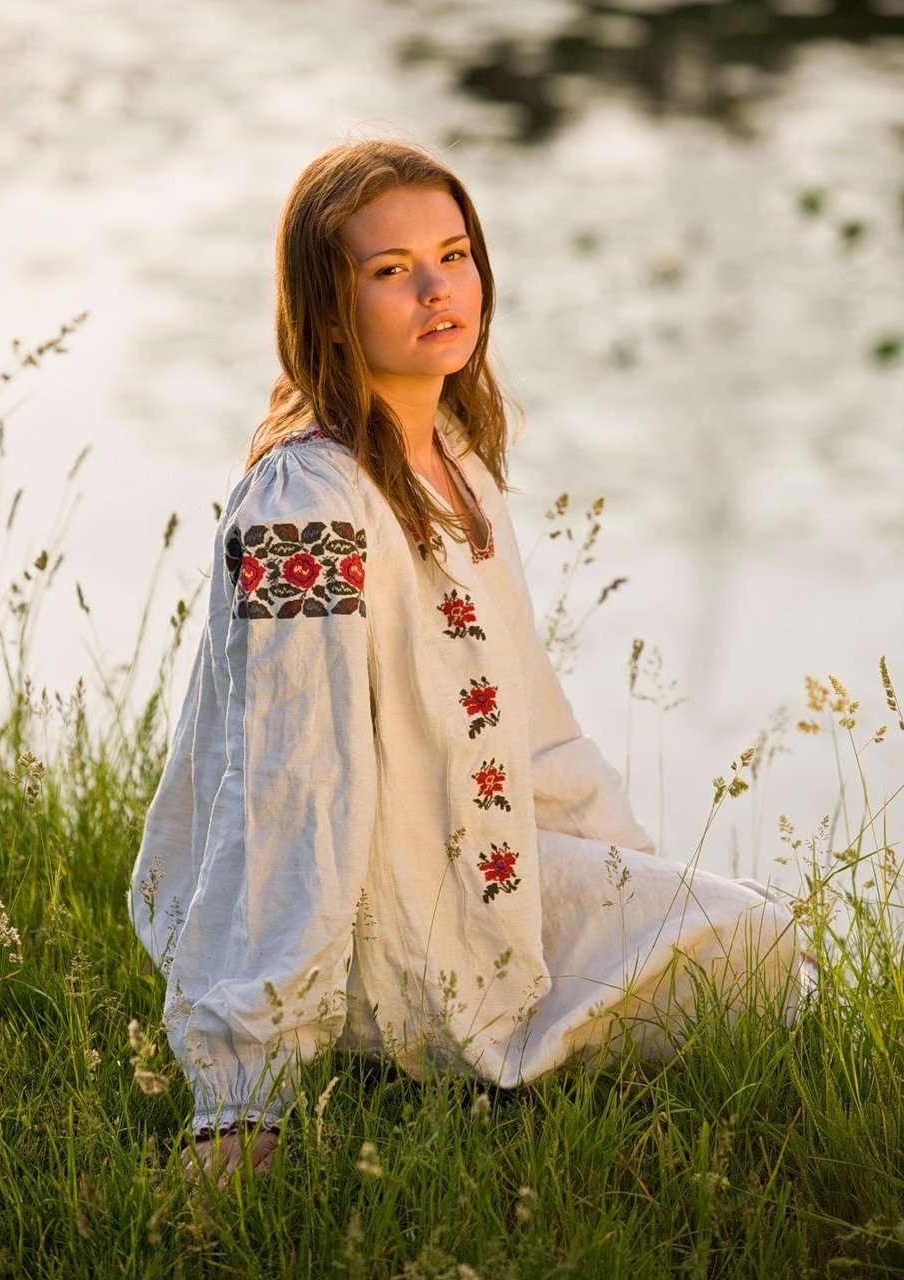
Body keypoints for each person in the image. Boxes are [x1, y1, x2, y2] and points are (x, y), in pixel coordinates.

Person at [128, 138, 809, 1186]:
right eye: (390, 268)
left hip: (480, 871)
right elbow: (284, 786)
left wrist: (633, 878)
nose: (438, 288)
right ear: (328, 304)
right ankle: (357, 1052)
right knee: (745, 955)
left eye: (452, 253)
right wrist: (241, 1083)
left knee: (752, 947)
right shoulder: (303, 506)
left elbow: (537, 735)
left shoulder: (457, 464)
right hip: (378, 923)